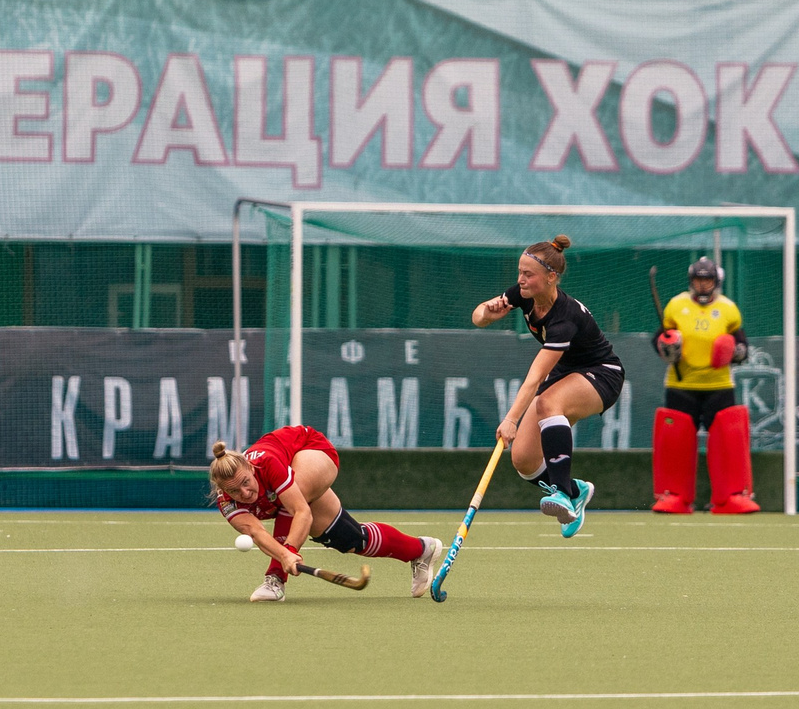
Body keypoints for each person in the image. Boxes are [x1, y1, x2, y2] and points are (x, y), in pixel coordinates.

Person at [471, 235, 625, 535]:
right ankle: (574, 491)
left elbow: (536, 376)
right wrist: (487, 314)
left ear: (551, 277)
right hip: (566, 374)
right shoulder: (524, 294)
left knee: (547, 403)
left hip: (602, 374)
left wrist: (511, 419)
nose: (521, 280)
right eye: (519, 272)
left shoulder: (564, 318)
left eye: (528, 274)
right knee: (525, 460)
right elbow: (477, 316)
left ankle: (562, 493)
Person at [208, 427, 442, 602]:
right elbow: (256, 532)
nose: (245, 493)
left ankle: (275, 580)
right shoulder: (226, 502)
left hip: (311, 449)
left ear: (250, 468)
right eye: (234, 490)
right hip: (292, 480)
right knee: (351, 539)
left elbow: (301, 511)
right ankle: (421, 550)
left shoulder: (266, 463)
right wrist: (285, 554)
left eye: (246, 483)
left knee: (289, 500)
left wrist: (287, 554)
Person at [650, 256, 758, 515]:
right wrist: (665, 347)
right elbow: (660, 338)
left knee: (727, 442)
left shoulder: (729, 309)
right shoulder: (676, 305)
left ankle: (730, 497)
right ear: (691, 281)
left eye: (707, 279)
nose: (702, 285)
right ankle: (674, 496)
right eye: (698, 279)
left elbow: (742, 345)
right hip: (680, 384)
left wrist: (736, 351)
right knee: (676, 442)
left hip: (719, 385)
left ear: (716, 281)